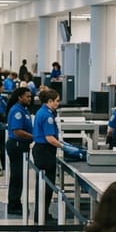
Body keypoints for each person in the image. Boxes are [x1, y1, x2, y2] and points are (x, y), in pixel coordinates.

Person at [32, 88, 64, 219]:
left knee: (44, 185)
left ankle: (41, 214)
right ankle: (41, 215)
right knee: (47, 185)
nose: (58, 103)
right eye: (56, 101)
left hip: (42, 150)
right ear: (49, 101)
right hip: (45, 151)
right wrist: (64, 146)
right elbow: (49, 138)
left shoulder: (43, 112)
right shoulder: (47, 116)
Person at [4, 87, 34, 216]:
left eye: (30, 96)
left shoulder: (24, 110)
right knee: (17, 176)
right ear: (20, 97)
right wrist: (34, 137)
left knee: (20, 176)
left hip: (22, 145)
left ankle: (16, 202)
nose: (30, 99)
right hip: (17, 145)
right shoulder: (17, 111)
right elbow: (17, 131)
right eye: (27, 96)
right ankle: (13, 205)